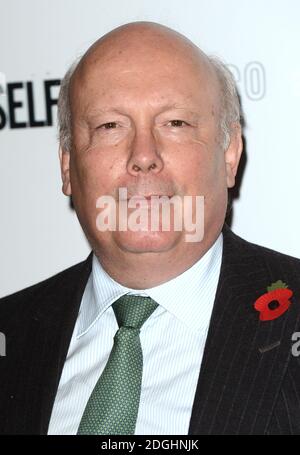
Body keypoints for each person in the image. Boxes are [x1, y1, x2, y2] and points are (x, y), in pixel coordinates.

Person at [0, 21, 300, 436]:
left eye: (175, 123)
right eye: (110, 126)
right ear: (68, 165)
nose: (143, 156)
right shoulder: (9, 334)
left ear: (229, 153)